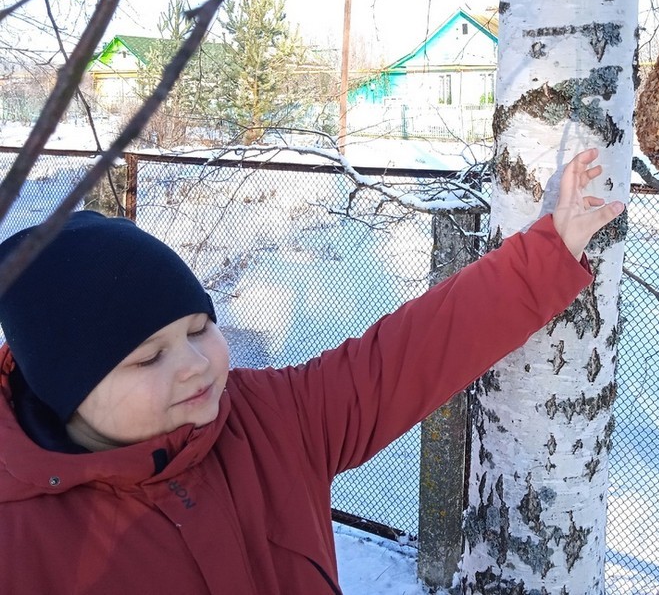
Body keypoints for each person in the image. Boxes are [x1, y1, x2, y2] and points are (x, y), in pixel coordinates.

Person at [0, 148, 624, 594]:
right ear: (67, 390)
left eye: (198, 329)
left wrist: (545, 252)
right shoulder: (21, 543)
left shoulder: (274, 421)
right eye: (148, 357)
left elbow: (416, 350)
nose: (195, 365)